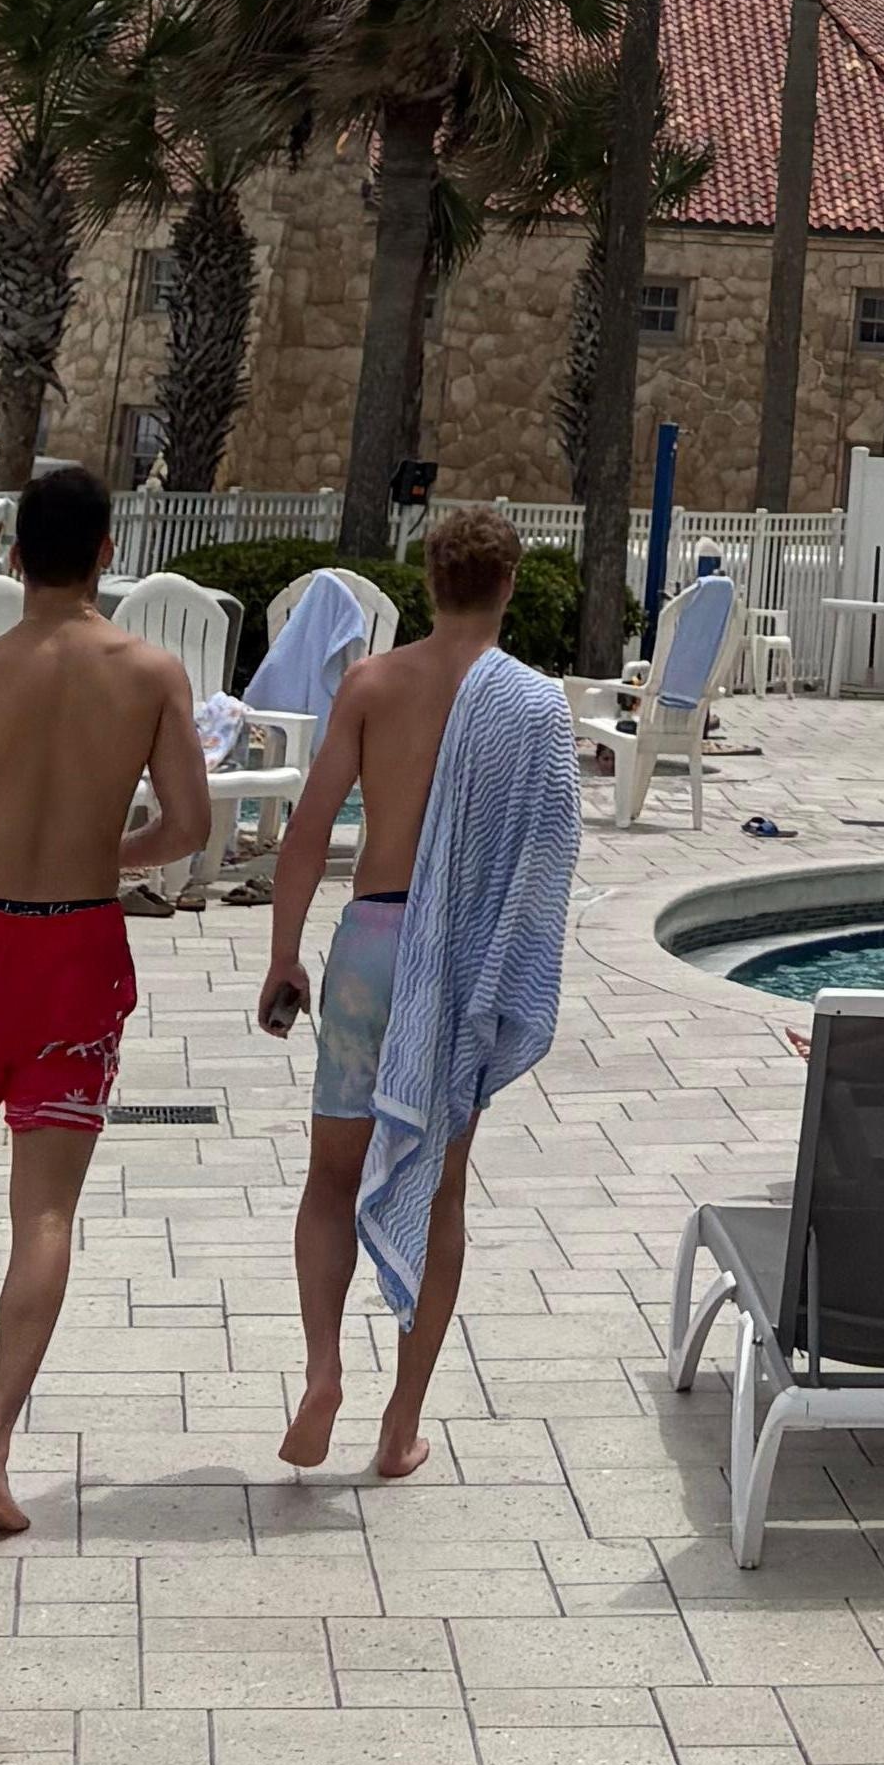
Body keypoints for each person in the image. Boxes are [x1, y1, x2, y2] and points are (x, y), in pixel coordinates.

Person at [0, 459, 213, 1532]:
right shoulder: (150, 674)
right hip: (79, 949)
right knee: (45, 1210)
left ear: (14, 557)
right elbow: (189, 828)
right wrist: (103, 856)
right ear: (107, 553)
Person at [261, 500, 579, 1477]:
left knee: (329, 1177)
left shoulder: (372, 683)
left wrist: (285, 955)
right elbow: (547, 858)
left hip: (370, 944)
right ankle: (399, 1426)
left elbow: (307, 833)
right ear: (509, 585)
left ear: (429, 582)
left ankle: (323, 1370)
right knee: (440, 1190)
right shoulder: (533, 705)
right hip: (456, 964)